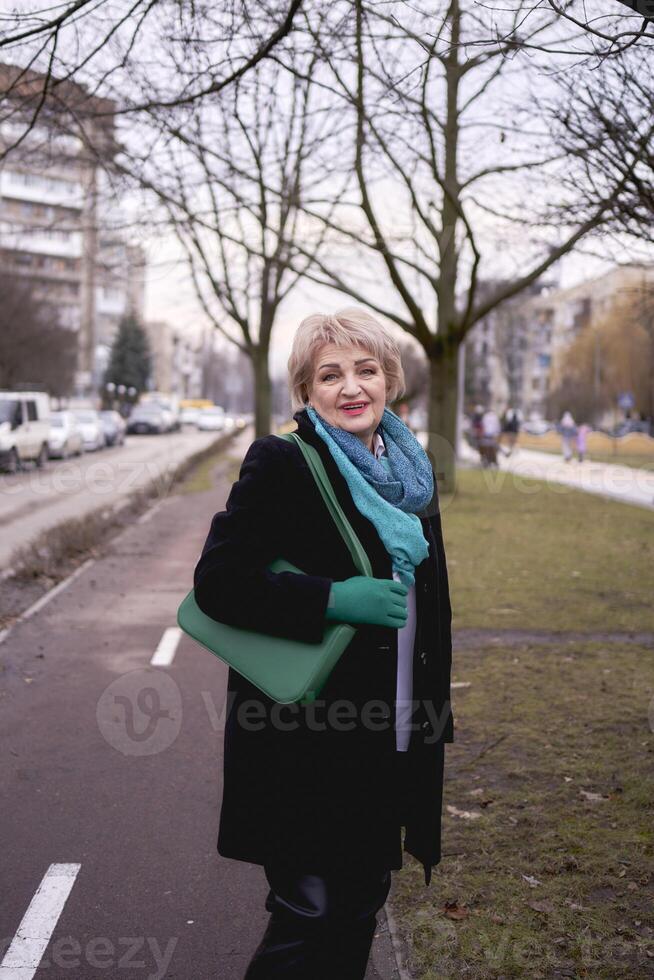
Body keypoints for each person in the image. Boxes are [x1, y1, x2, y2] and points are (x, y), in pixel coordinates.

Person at [193, 308, 454, 980]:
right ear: (306, 392)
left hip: (388, 735)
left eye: (366, 370)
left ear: (389, 381)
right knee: (308, 912)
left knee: (360, 903)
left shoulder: (410, 479)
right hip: (303, 743)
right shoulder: (284, 461)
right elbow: (219, 583)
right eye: (330, 375)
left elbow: (432, 613)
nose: (351, 387)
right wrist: (334, 598)